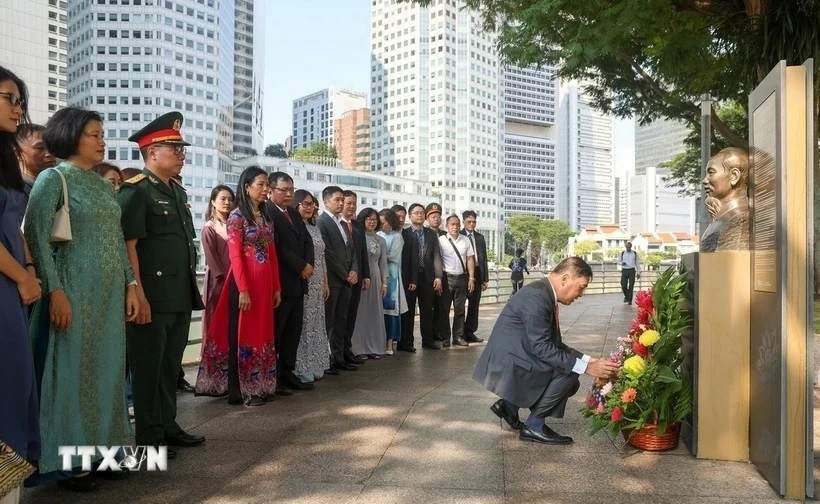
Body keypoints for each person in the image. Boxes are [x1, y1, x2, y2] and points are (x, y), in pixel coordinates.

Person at [26, 106, 138, 491]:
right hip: (72, 290)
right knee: (69, 375)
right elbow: (38, 240)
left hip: (107, 296)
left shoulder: (103, 185)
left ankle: (103, 453)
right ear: (72, 136)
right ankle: (69, 464)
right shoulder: (53, 179)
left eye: (101, 133)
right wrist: (55, 291)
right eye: (93, 133)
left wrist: (132, 285)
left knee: (106, 372)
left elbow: (117, 244)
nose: (101, 139)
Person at [118, 112, 205, 457]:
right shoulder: (135, 190)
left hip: (179, 294)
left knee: (171, 366)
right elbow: (127, 246)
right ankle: (150, 436)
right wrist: (136, 292)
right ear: (152, 152)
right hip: (151, 296)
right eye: (175, 148)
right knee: (148, 369)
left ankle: (168, 424)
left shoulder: (175, 190)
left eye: (182, 148)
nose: (182, 154)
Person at [473, 257, 620, 445]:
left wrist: (591, 361)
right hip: (507, 365)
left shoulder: (543, 292)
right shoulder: (537, 297)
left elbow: (554, 345)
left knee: (571, 372)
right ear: (565, 279)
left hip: (515, 358)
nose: (581, 294)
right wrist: (586, 368)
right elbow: (543, 348)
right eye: (581, 287)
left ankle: (509, 406)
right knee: (569, 373)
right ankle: (534, 425)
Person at [197, 167, 281, 406]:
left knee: (264, 332)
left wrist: (277, 287)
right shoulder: (237, 217)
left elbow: (272, 254)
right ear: (247, 187)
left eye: (267, 185)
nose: (266, 190)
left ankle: (263, 384)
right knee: (245, 332)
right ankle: (246, 389)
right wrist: (242, 288)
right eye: (261, 185)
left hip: (265, 285)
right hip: (245, 283)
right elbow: (235, 255)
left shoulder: (266, 218)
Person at [0, 64, 42, 503]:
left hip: (12, 288)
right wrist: (22, 277)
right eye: (9, 98)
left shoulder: (4, 162)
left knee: (16, 385)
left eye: (19, 100)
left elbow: (16, 230)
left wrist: (27, 272)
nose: (18, 108)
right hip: (6, 286)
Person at [266, 172, 314, 394]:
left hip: (299, 282)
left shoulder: (293, 214)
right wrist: (300, 266)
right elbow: (278, 247)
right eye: (283, 190)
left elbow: (307, 240)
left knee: (293, 332)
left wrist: (309, 264)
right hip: (281, 283)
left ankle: (288, 372)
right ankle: (274, 377)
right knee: (278, 331)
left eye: (291, 190)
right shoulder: (267, 213)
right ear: (270, 190)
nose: (288, 194)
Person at [317, 185, 359, 372]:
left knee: (341, 321)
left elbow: (352, 250)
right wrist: (345, 274)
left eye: (343, 199)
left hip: (347, 280)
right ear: (326, 201)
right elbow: (328, 254)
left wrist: (354, 271)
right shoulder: (322, 222)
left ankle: (339, 356)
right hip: (333, 281)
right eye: (337, 199)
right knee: (329, 321)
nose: (341, 203)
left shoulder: (343, 223)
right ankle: (326, 360)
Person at [292, 190, 331, 383]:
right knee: (303, 325)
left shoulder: (314, 228)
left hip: (317, 283)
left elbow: (321, 258)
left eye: (312, 204)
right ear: (296, 204)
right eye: (305, 204)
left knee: (316, 323)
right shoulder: (294, 227)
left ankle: (316, 362)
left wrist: (325, 282)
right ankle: (301, 365)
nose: (309, 207)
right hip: (302, 280)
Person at [402, 203, 443, 350]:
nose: (419, 215)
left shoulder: (431, 234)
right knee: (409, 311)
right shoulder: (404, 234)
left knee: (427, 310)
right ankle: (407, 342)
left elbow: (436, 256)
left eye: (421, 213)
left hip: (427, 277)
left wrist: (438, 276)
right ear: (410, 215)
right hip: (409, 279)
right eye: (416, 213)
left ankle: (428, 341)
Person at [351, 207, 388, 358]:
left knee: (374, 314)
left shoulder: (381, 240)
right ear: (362, 220)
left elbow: (383, 263)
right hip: (361, 277)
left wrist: (384, 283)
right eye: (369, 219)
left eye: (374, 219)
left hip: (376, 277)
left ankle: (373, 347)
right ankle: (358, 348)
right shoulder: (356, 235)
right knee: (359, 314)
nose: (372, 222)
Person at [201, 185, 234, 346]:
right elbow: (211, 257)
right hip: (218, 281)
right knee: (216, 318)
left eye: (230, 199)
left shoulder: (235, 224)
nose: (227, 202)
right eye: (223, 198)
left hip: (235, 280)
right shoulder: (210, 227)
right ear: (213, 202)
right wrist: (223, 277)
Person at [700, 147, 750, 252]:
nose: (705, 180)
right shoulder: (720, 218)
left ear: (734, 176)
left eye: (711, 173)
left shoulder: (741, 218)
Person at [438, 214, 475, 347]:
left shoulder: (465, 240)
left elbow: (470, 259)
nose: (455, 227)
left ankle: (458, 336)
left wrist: (471, 278)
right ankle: (445, 337)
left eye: (457, 224)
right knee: (444, 310)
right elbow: (437, 260)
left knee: (460, 310)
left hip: (461, 278)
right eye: (452, 224)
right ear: (447, 226)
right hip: (446, 278)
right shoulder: (441, 240)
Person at [341, 190, 369, 365]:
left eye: (354, 203)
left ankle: (347, 349)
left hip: (357, 278)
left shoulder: (358, 225)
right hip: (342, 278)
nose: (351, 206)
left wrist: (364, 275)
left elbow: (362, 253)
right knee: (340, 318)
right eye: (348, 203)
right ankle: (337, 353)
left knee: (351, 317)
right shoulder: (336, 224)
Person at [378, 208, 407, 354]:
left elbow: (393, 256)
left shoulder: (397, 237)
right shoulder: (377, 234)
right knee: (378, 310)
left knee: (390, 310)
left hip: (392, 278)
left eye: (384, 222)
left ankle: (389, 343)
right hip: (378, 276)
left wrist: (376, 257)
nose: (381, 225)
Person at [424, 203, 450, 346]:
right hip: (427, 276)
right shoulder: (425, 233)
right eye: (433, 216)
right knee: (429, 307)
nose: (436, 219)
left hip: (443, 276)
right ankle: (430, 335)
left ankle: (439, 332)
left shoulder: (445, 235)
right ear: (427, 218)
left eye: (439, 217)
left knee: (441, 306)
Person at [460, 210, 487, 344]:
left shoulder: (480, 237)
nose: (472, 224)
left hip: (476, 273)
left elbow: (483, 259)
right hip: (462, 273)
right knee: (460, 305)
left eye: (474, 221)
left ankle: (470, 331)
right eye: (469, 221)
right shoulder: (458, 235)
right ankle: (459, 333)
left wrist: (484, 279)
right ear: (463, 221)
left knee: (474, 305)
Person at [15, 123, 55, 205]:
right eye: (40, 148)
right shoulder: (16, 191)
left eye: (52, 147)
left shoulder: (54, 184)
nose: (49, 153)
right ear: (17, 152)